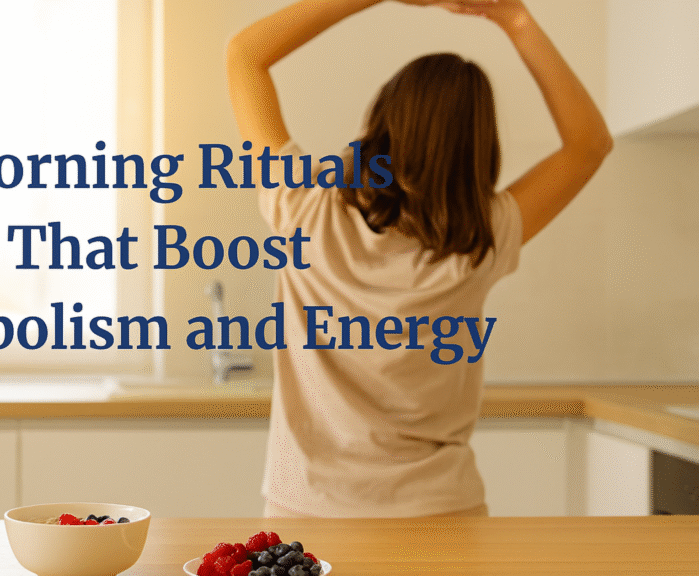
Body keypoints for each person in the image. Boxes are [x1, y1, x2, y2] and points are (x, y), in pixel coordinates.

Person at [226, 0, 613, 518]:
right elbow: (589, 145)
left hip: (309, 512)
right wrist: (514, 19)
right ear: (479, 151)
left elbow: (244, 54)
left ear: (379, 123)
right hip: (440, 510)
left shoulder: (304, 211)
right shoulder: (481, 240)